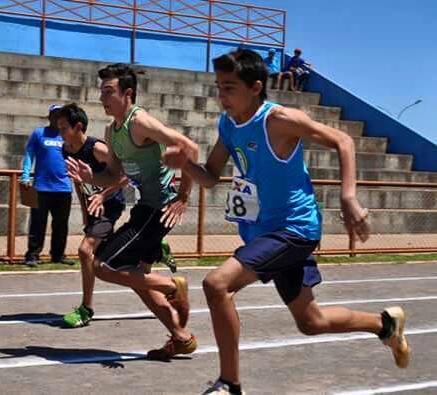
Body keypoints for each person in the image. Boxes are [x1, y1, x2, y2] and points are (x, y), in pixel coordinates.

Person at [163, 48, 410, 395]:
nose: (221, 96)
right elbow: (210, 177)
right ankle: (385, 325)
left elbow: (342, 140)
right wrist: (185, 165)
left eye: (229, 87)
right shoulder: (228, 125)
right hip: (263, 233)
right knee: (312, 322)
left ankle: (229, 384)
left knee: (217, 284)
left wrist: (348, 195)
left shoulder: (277, 120)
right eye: (218, 87)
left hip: (293, 230)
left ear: (255, 87)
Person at [66, 63, 199, 359]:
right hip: (145, 207)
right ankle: (181, 337)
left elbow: (189, 148)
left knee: (103, 265)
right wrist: (90, 179)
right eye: (101, 91)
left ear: (128, 94)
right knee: (134, 276)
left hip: (158, 208)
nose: (103, 97)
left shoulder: (140, 122)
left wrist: (183, 197)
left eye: (108, 92)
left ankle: (172, 286)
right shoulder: (112, 132)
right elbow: (113, 176)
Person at [57, 103, 128, 327]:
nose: (60, 133)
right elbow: (78, 181)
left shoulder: (97, 149)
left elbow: (125, 176)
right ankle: (156, 249)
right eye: (57, 128)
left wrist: (102, 195)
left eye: (64, 128)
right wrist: (85, 209)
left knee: (84, 250)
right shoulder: (66, 149)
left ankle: (86, 308)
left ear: (78, 127)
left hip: (110, 206)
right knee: (110, 260)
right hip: (93, 208)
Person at [20, 104, 74, 267]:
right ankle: (32, 255)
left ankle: (58, 255)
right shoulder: (38, 134)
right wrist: (25, 174)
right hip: (41, 187)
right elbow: (29, 154)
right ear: (49, 116)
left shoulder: (66, 135)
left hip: (63, 187)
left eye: (60, 115)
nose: (57, 118)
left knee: (61, 224)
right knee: (38, 223)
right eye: (54, 115)